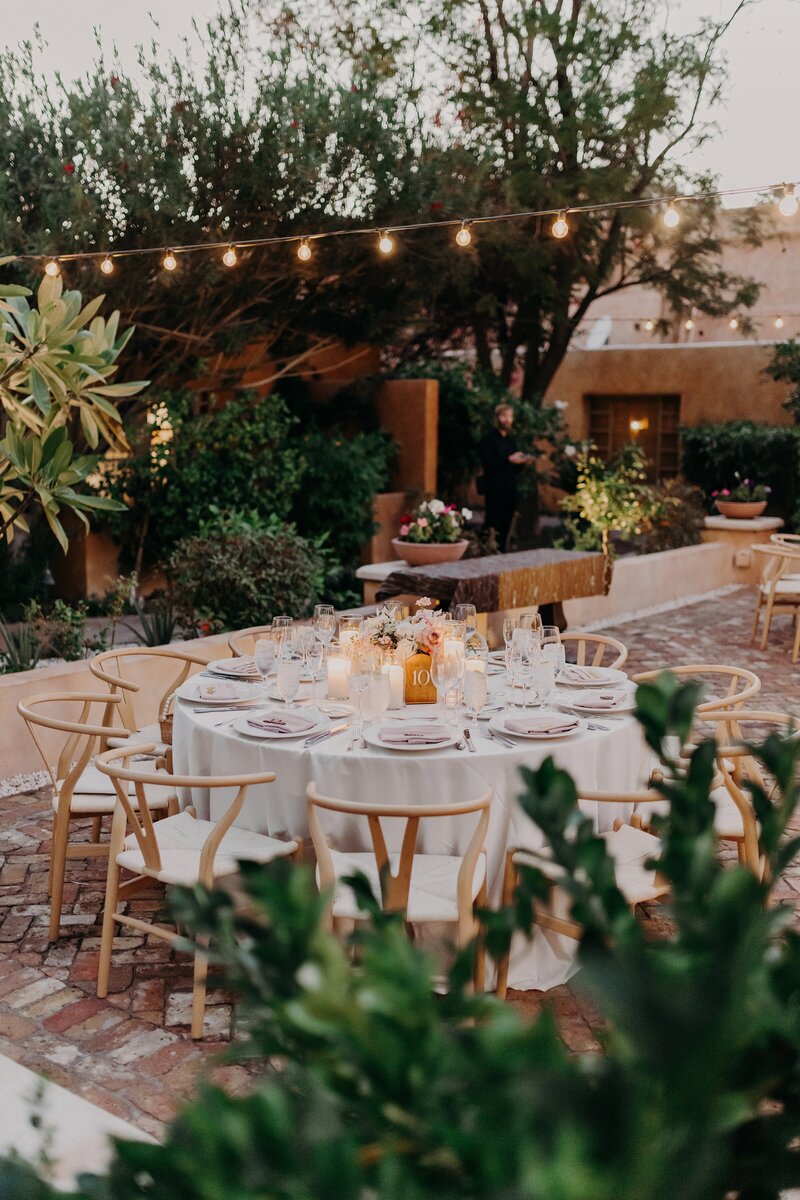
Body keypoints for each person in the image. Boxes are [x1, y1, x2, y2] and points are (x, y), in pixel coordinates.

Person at [478, 403, 535, 551]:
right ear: (497, 418)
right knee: (492, 522)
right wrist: (509, 460)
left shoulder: (510, 440)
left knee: (506, 522)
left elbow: (514, 469)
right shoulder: (489, 439)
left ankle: (502, 551)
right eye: (504, 416)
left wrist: (522, 462)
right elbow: (488, 464)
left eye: (510, 416)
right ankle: (486, 551)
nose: (507, 420)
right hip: (494, 488)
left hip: (509, 488)